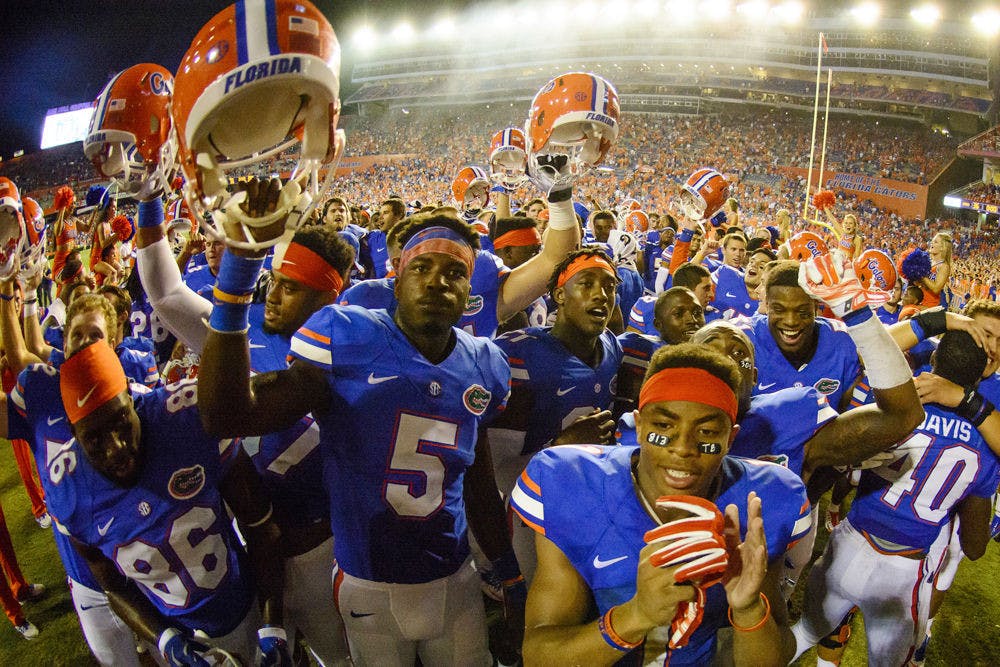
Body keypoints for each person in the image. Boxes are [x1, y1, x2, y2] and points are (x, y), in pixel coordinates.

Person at [198, 214, 525, 665]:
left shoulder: (485, 364)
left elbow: (477, 479)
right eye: (421, 268)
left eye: (455, 272)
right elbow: (226, 413)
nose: (437, 282)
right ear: (396, 278)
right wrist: (236, 277)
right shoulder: (347, 336)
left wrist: (507, 571)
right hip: (369, 582)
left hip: (454, 576)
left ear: (470, 291)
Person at [133, 192, 356, 665]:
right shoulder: (242, 330)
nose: (271, 295)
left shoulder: (354, 344)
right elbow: (165, 293)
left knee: (340, 657)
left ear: (328, 296)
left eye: (291, 287)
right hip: (251, 548)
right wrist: (149, 197)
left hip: (324, 547)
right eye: (273, 281)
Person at [512, 343, 810, 665]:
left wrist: (749, 609)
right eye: (664, 427)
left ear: (731, 437)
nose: (683, 448)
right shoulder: (572, 482)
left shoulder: (762, 499)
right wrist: (635, 616)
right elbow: (540, 654)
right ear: (639, 426)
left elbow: (772, 657)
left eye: (707, 431)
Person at [792, 330, 1000, 666]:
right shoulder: (984, 447)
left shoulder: (895, 409)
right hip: (905, 572)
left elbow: (838, 454)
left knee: (801, 634)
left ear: (933, 361)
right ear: (977, 379)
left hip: (849, 543)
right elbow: (975, 546)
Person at [489, 248, 623, 580]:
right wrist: (560, 445)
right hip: (525, 508)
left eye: (609, 286)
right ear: (559, 295)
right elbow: (493, 471)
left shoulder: (611, 346)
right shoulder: (517, 356)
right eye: (588, 283)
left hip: (586, 502)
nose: (601, 295)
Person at [745, 260, 862, 411]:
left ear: (815, 306)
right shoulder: (744, 338)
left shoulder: (842, 341)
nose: (791, 321)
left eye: (802, 312)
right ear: (766, 305)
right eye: (779, 310)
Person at [917, 231, 953, 309]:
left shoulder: (944, 266)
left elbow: (936, 289)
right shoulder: (929, 262)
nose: (931, 244)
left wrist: (922, 275)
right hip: (921, 301)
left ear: (942, 247)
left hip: (932, 306)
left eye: (935, 242)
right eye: (932, 241)